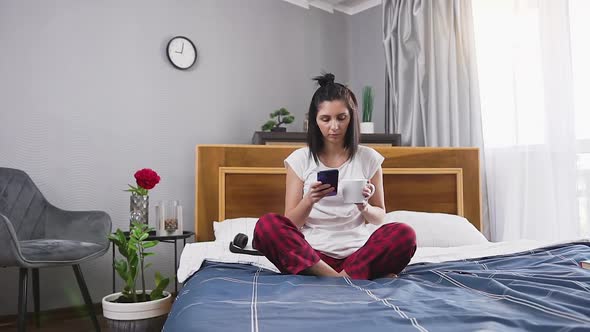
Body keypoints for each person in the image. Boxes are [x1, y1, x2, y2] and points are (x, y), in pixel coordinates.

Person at [253, 73, 416, 280]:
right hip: (313, 257)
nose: (334, 127)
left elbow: (380, 217)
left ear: (352, 117)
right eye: (325, 119)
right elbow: (291, 223)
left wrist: (363, 206)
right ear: (315, 120)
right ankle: (341, 278)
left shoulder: (368, 158)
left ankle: (338, 276)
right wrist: (309, 200)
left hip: (359, 253)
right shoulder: (300, 159)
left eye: (341, 118)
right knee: (267, 226)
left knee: (404, 233)